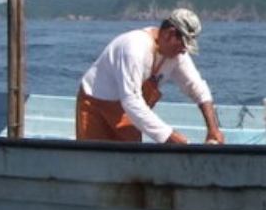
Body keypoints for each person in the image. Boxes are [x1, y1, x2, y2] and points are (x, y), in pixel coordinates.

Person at [76, 8, 225, 144]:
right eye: (182, 44)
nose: (183, 51)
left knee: (131, 160)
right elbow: (132, 102)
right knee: (94, 160)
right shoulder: (134, 48)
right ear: (169, 34)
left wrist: (213, 129)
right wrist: (171, 137)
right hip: (95, 104)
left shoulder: (177, 54)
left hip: (126, 111)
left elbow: (197, 88)